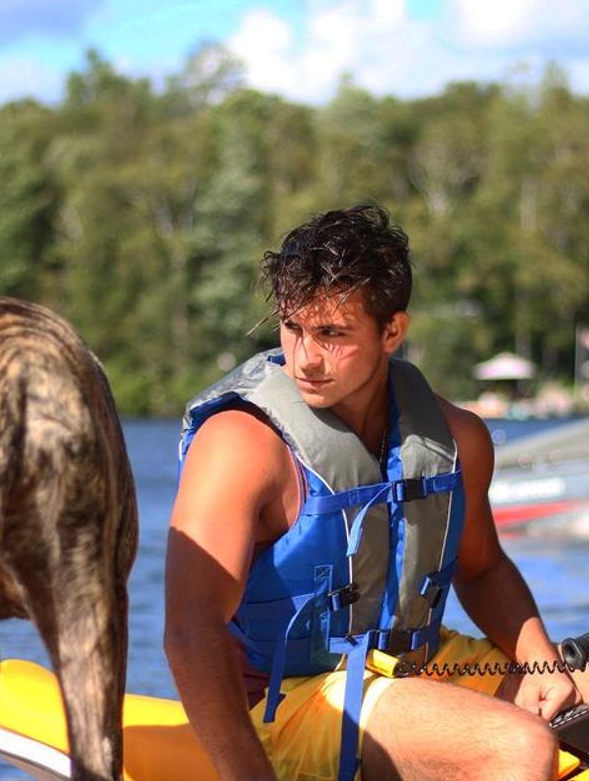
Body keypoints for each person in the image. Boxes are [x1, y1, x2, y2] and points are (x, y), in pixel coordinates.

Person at [164, 204, 581, 781]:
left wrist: (542, 665)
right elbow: (190, 628)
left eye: (332, 334)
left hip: (417, 668)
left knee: (580, 694)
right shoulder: (240, 444)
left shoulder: (456, 437)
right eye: (292, 327)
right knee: (519, 748)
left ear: (392, 331)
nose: (305, 357)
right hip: (287, 700)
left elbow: (482, 571)